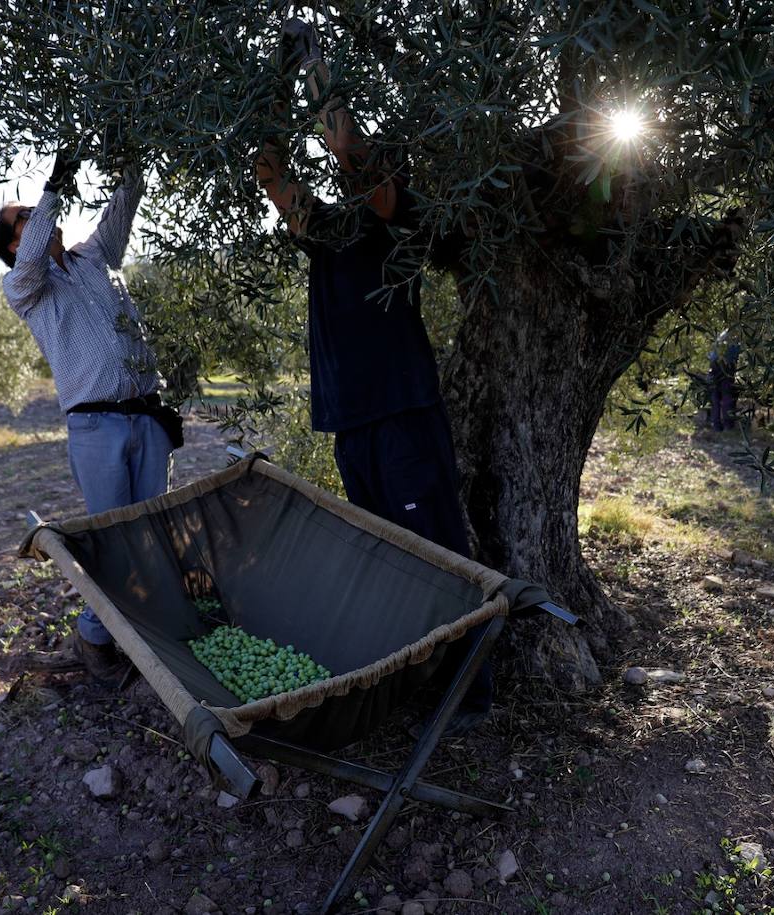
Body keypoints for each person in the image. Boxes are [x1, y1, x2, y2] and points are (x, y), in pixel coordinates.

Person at [254, 18, 490, 735]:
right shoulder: (326, 233)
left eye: (370, 170)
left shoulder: (403, 220)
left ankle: (471, 694)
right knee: (390, 559)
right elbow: (271, 172)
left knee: (440, 553)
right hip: (350, 421)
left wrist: (318, 67)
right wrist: (273, 82)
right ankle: (416, 685)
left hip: (403, 412)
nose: (353, 173)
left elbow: (350, 151)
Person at [0, 154, 179, 682]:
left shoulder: (95, 258)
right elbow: (31, 256)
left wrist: (131, 155)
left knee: (152, 533)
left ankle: (151, 636)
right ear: (12, 246)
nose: (39, 217)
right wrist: (53, 185)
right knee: (113, 539)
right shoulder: (26, 289)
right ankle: (95, 639)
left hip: (146, 417)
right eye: (25, 217)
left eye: (38, 210)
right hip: (96, 429)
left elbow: (124, 206)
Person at [707, 329, 741, 431]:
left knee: (716, 398)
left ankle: (717, 425)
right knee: (727, 397)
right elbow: (736, 354)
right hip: (727, 367)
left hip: (714, 367)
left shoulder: (721, 337)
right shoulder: (734, 338)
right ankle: (727, 425)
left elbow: (711, 355)